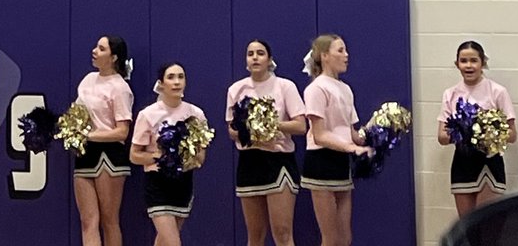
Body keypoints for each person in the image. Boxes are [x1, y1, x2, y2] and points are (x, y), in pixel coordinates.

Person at [226, 39, 306, 246]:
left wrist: (270, 126)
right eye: (250, 54)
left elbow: (301, 126)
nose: (255, 58)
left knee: (282, 232)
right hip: (249, 162)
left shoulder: (285, 86)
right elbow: (232, 130)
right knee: (255, 235)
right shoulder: (236, 89)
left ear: (270, 59)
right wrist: (249, 132)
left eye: (260, 53)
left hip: (279, 162)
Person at [300, 34, 371, 246]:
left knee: (344, 238)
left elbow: (352, 134)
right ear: (324, 56)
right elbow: (320, 135)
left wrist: (378, 128)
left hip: (341, 161)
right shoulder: (316, 88)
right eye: (340, 50)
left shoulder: (345, 89)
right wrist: (351, 148)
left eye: (346, 50)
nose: (346, 55)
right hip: (320, 161)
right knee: (330, 239)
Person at [130, 61, 209, 246]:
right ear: (161, 83)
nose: (176, 82)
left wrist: (186, 158)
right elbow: (134, 155)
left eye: (181, 77)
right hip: (157, 183)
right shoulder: (148, 114)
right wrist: (162, 157)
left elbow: (201, 157)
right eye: (171, 77)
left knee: (164, 241)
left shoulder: (196, 114)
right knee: (173, 242)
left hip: (183, 183)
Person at [438, 40, 517, 218]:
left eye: (474, 60)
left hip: (489, 162)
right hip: (462, 163)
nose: (469, 65)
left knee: (487, 224)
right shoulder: (450, 94)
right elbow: (441, 137)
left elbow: (512, 135)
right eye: (463, 61)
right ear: (457, 64)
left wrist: (487, 132)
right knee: (467, 226)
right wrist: (462, 131)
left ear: (483, 63)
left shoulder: (497, 91)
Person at [73, 34, 133, 246]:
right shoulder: (88, 80)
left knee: (109, 221)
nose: (94, 51)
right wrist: (70, 131)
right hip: (84, 153)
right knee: (87, 221)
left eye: (101, 49)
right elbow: (76, 115)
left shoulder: (120, 87)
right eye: (96, 47)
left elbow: (122, 132)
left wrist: (89, 135)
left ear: (114, 57)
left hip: (109, 156)